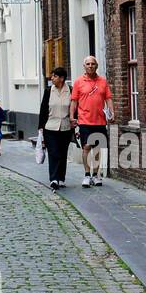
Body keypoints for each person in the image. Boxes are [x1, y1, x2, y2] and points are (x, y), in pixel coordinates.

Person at [69, 56, 114, 188]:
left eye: (93, 64)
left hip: (100, 121)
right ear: (84, 66)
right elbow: (74, 101)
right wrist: (72, 116)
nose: (90, 66)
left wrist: (112, 113)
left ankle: (96, 174)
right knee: (87, 147)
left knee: (99, 149)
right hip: (84, 120)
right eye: (88, 64)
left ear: (97, 66)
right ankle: (87, 175)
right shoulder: (78, 82)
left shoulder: (103, 82)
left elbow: (109, 99)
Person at [38, 65, 72, 191]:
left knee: (63, 153)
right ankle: (53, 179)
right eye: (52, 76)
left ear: (62, 78)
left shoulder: (71, 90)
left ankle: (61, 178)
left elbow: (74, 109)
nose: (52, 78)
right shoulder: (48, 91)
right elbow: (43, 110)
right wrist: (40, 127)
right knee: (53, 153)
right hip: (50, 127)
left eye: (55, 76)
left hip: (66, 127)